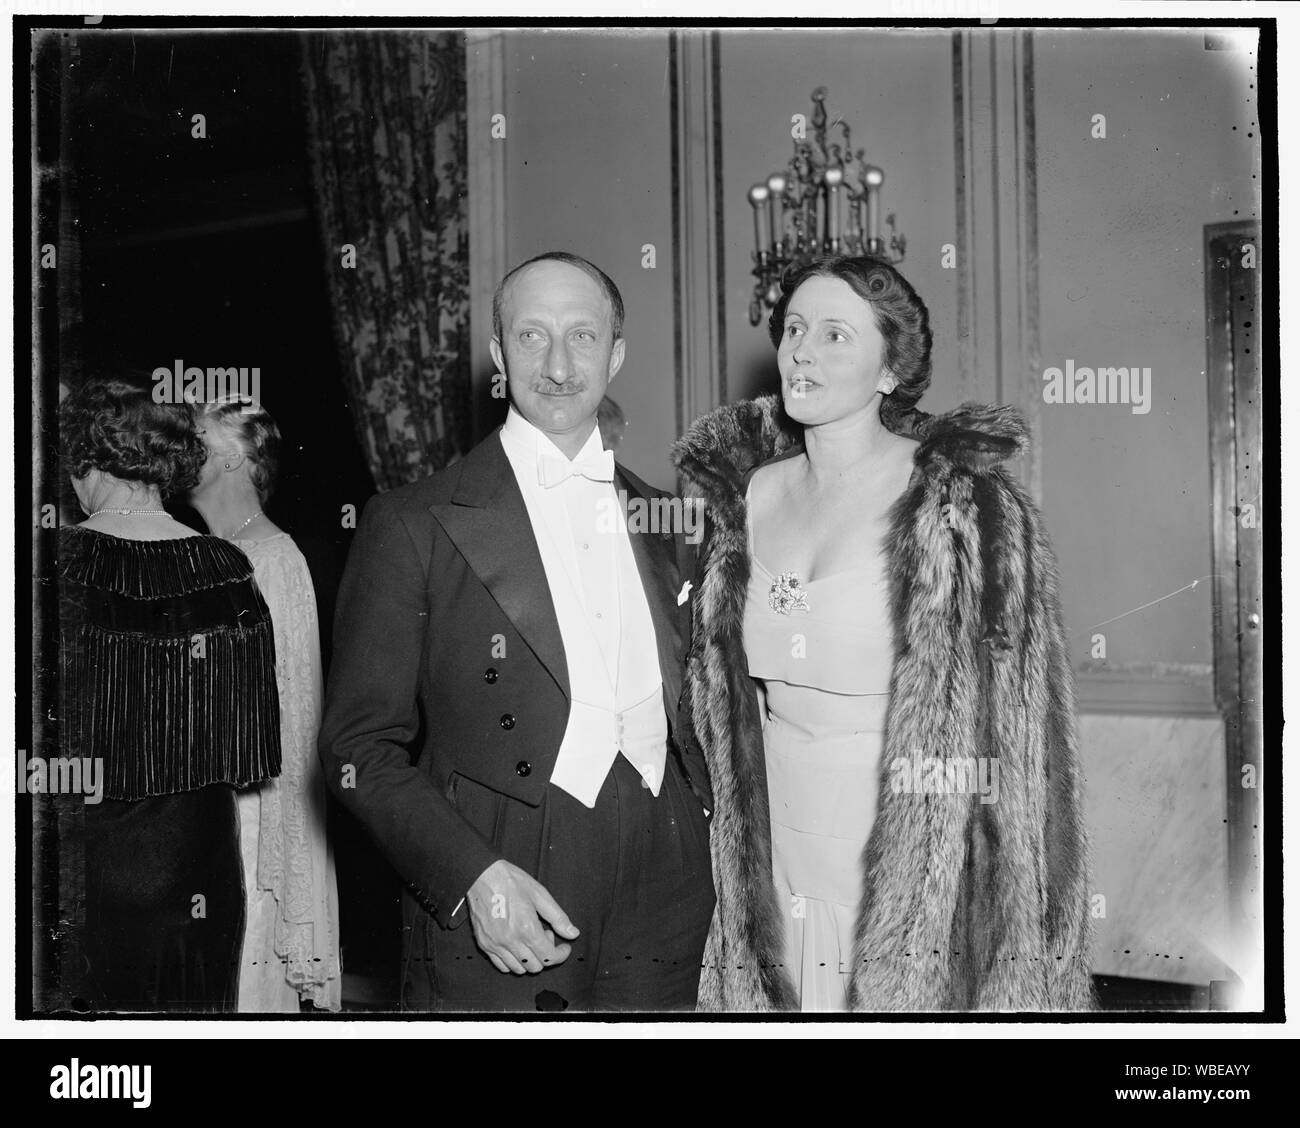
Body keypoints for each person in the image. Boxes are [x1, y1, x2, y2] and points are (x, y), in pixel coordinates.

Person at [672, 255, 1092, 1012]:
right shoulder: (744, 499)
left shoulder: (963, 509)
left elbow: (1026, 739)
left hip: (908, 861)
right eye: (794, 329)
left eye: (835, 335)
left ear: (890, 370)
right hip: (772, 858)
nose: (802, 350)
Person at [320, 251, 715, 1011]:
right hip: (509, 859)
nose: (560, 365)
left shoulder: (678, 522)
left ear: (616, 353)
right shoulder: (412, 523)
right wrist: (470, 875)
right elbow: (355, 749)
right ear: (499, 356)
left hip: (669, 866)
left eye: (583, 337)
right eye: (532, 337)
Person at [55, 378, 282, 1012]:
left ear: (83, 462)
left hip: (81, 857)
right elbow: (252, 749)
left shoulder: (52, 565)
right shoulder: (228, 567)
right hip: (197, 860)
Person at [189, 395, 342, 1012]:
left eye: (195, 439)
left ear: (233, 459)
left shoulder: (271, 560)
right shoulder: (218, 553)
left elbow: (288, 719)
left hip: (252, 821)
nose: (178, 450)